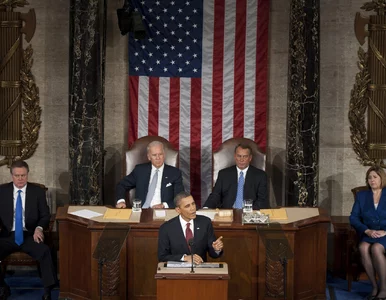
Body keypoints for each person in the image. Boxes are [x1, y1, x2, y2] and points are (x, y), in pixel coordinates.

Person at [0, 160, 56, 300]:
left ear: (28, 175)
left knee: (45, 251)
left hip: (30, 234)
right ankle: (2, 287)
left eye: (23, 175)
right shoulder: (2, 191)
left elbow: (45, 215)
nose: (20, 179)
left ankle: (48, 291)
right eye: (17, 175)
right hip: (7, 235)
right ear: (12, 175)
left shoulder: (37, 192)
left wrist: (39, 228)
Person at [350, 166, 386, 300]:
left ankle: (384, 289)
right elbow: (353, 217)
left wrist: (385, 232)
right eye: (369, 177)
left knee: (376, 248)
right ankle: (374, 286)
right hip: (369, 232)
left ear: (382, 178)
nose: (372, 180)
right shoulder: (362, 195)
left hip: (385, 234)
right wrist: (367, 230)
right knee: (363, 247)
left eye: (375, 177)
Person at [158, 191, 223, 264]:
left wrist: (216, 249)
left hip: (200, 270)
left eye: (193, 204)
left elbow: (213, 253)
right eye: (187, 206)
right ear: (178, 210)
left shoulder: (205, 223)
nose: (193, 208)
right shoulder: (166, 228)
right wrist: (184, 258)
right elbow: (162, 257)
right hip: (177, 272)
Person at [116, 141, 184, 209]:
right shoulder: (140, 170)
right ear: (149, 157)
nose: (158, 158)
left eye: (160, 154)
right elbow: (122, 185)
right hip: (141, 210)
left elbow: (180, 197)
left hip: (163, 211)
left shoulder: (175, 173)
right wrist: (121, 201)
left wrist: (164, 205)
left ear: (164, 155)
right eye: (154, 155)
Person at [204, 143, 269, 209]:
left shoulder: (260, 176)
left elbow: (262, 200)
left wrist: (248, 211)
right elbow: (215, 195)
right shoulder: (224, 174)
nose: (241, 160)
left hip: (250, 213)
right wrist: (206, 208)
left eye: (245, 156)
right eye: (239, 156)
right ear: (235, 156)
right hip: (227, 213)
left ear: (250, 158)